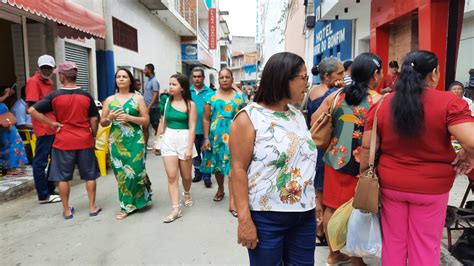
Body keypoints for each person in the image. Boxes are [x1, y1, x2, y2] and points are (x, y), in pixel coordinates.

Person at [360, 50, 474, 265]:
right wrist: (468, 156)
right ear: (434, 73)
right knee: (424, 244)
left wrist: (363, 177)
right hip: (431, 189)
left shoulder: (383, 103)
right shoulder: (449, 102)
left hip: (391, 185)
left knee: (393, 242)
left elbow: (367, 147)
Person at [230, 52, 317, 265]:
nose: (306, 84)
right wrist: (244, 219)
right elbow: (238, 169)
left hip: (304, 214)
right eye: (303, 78)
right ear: (283, 79)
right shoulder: (249, 118)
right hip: (266, 217)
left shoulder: (297, 115)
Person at [311, 52, 383, 265]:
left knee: (331, 207)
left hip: (335, 160)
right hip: (365, 164)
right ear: (375, 75)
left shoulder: (336, 96)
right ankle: (356, 260)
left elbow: (315, 121)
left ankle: (333, 254)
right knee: (359, 210)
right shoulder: (378, 100)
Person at [29, 61, 101, 219]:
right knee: (89, 175)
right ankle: (92, 207)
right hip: (84, 140)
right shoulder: (86, 96)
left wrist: (52, 123)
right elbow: (94, 119)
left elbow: (32, 110)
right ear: (75, 76)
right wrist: (93, 135)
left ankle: (67, 210)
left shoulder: (54, 96)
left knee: (62, 177)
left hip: (63, 141)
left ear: (62, 76)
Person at [101, 68, 152, 220]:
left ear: (130, 80)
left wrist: (130, 118)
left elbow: (146, 120)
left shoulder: (138, 99)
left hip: (135, 141)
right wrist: (109, 117)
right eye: (118, 77)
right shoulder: (109, 100)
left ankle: (143, 196)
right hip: (116, 141)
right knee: (122, 175)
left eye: (124, 77)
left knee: (136, 172)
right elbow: (103, 123)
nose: (121, 79)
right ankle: (126, 205)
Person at [306, 57, 344, 247]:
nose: (343, 77)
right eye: (340, 73)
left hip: (320, 146)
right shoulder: (328, 94)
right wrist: (336, 91)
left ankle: (319, 230)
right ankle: (319, 231)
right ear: (327, 75)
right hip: (323, 146)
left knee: (319, 189)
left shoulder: (314, 90)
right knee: (320, 191)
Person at [154, 73, 197, 223]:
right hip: (169, 139)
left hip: (185, 140)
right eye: (170, 84)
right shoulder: (166, 102)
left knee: (186, 176)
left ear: (182, 88)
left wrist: (189, 148)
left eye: (174, 84)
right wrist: (157, 141)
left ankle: (186, 192)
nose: (170, 87)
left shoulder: (190, 104)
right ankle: (176, 208)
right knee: (172, 176)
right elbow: (162, 123)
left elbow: (192, 127)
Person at [201, 68, 245, 216]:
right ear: (218, 80)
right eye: (222, 77)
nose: (225, 80)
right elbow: (206, 118)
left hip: (235, 136)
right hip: (216, 138)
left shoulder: (240, 98)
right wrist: (206, 138)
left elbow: (246, 117)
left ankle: (233, 203)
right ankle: (220, 188)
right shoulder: (210, 97)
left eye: (227, 77)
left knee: (233, 168)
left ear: (232, 79)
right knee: (219, 167)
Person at [25, 55, 61, 204]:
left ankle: (50, 189)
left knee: (54, 159)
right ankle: (43, 194)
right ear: (39, 68)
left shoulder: (48, 82)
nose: (47, 70)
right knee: (40, 162)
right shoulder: (33, 82)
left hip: (52, 126)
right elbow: (32, 108)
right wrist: (49, 122)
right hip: (43, 127)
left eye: (49, 68)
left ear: (53, 69)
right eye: (44, 67)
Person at [190, 67, 214, 187]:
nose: (197, 79)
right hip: (192, 129)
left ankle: (207, 176)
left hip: (206, 130)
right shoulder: (187, 92)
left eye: (199, 76)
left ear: (203, 78)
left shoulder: (210, 92)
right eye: (194, 77)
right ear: (192, 78)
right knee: (195, 155)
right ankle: (197, 173)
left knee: (206, 154)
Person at [0, 86, 28, 176]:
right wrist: (6, 95)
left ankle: (13, 167)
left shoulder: (3, 103)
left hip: (10, 129)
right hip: (3, 129)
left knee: (15, 146)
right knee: (9, 147)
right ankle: (10, 168)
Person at [143, 63, 160, 150]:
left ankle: (159, 145)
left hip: (153, 108)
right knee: (145, 126)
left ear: (149, 70)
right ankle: (144, 146)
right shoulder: (147, 81)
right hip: (146, 108)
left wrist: (149, 107)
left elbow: (155, 95)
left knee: (157, 127)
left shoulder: (154, 81)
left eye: (145, 69)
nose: (144, 71)